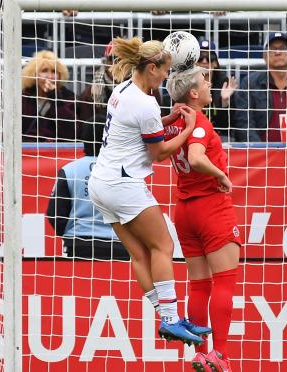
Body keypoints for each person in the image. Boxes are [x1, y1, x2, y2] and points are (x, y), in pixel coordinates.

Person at [87, 36, 210, 346]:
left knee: (140, 254)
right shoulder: (145, 103)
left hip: (100, 182)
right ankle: (171, 320)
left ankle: (166, 317)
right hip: (123, 184)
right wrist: (186, 129)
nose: (166, 77)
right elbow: (159, 152)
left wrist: (167, 118)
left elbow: (142, 130)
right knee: (163, 246)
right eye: (165, 71)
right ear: (152, 67)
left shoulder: (123, 89)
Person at [165, 66, 241, 372]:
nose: (210, 83)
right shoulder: (199, 124)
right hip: (211, 206)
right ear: (194, 92)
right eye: (205, 80)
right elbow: (196, 157)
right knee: (225, 281)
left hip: (184, 209)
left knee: (198, 285)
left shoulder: (173, 124)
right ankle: (219, 355)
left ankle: (199, 354)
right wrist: (221, 173)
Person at [46, 122, 128, 260]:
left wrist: (69, 233)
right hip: (118, 243)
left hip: (79, 244)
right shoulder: (124, 170)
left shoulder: (69, 170)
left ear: (83, 139)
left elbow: (55, 214)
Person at [21, 50, 77, 142]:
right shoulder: (25, 96)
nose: (50, 76)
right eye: (44, 71)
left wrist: (56, 99)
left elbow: (71, 133)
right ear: (34, 74)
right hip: (28, 149)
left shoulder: (68, 97)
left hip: (57, 150)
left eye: (54, 71)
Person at [196, 38, 237, 142]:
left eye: (209, 58)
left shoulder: (224, 83)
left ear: (215, 63)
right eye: (200, 57)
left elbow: (229, 124)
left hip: (218, 135)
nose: (204, 61)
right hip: (194, 132)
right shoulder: (187, 83)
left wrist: (225, 102)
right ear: (194, 62)